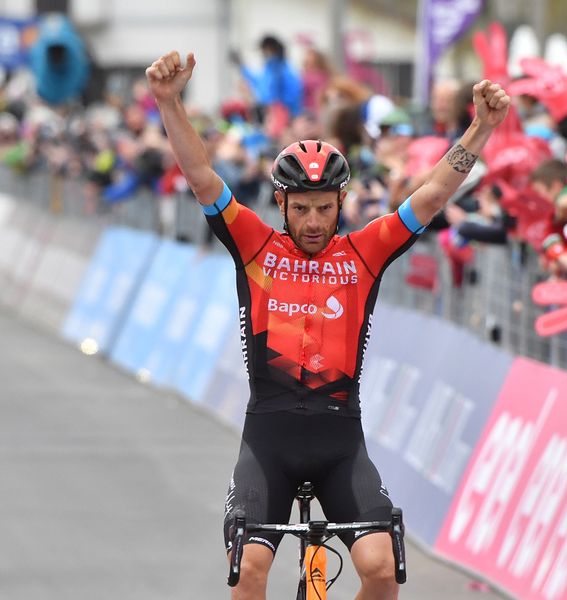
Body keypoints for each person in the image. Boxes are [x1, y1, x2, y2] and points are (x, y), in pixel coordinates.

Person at [145, 50, 509, 600]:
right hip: (268, 441)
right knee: (249, 573)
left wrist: (480, 128)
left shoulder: (363, 254)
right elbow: (199, 175)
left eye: (324, 208)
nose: (313, 222)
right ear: (281, 202)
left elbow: (431, 197)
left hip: (341, 440)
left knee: (382, 570)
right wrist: (169, 101)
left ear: (341, 202)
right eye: (301, 208)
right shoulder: (254, 246)